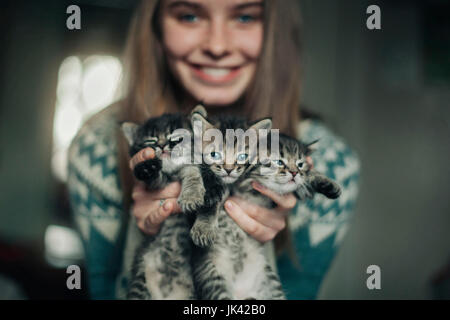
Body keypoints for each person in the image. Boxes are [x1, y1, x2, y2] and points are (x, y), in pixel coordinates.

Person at [67, 0, 360, 300]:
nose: (217, 46)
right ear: (154, 26)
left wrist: (262, 230)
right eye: (189, 16)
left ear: (276, 31)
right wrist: (142, 233)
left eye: (245, 17)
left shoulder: (332, 164)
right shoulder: (97, 152)